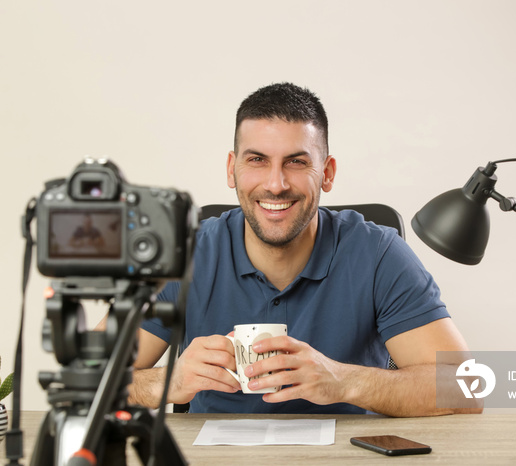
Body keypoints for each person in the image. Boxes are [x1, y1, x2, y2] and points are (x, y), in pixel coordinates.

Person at [130, 82, 479, 416]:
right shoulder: (186, 253)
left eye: (296, 162)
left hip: (348, 455)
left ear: (327, 173)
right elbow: (83, 378)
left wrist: (344, 381)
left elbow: (470, 388)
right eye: (257, 160)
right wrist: (167, 381)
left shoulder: (377, 253)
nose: (276, 184)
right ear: (231, 170)